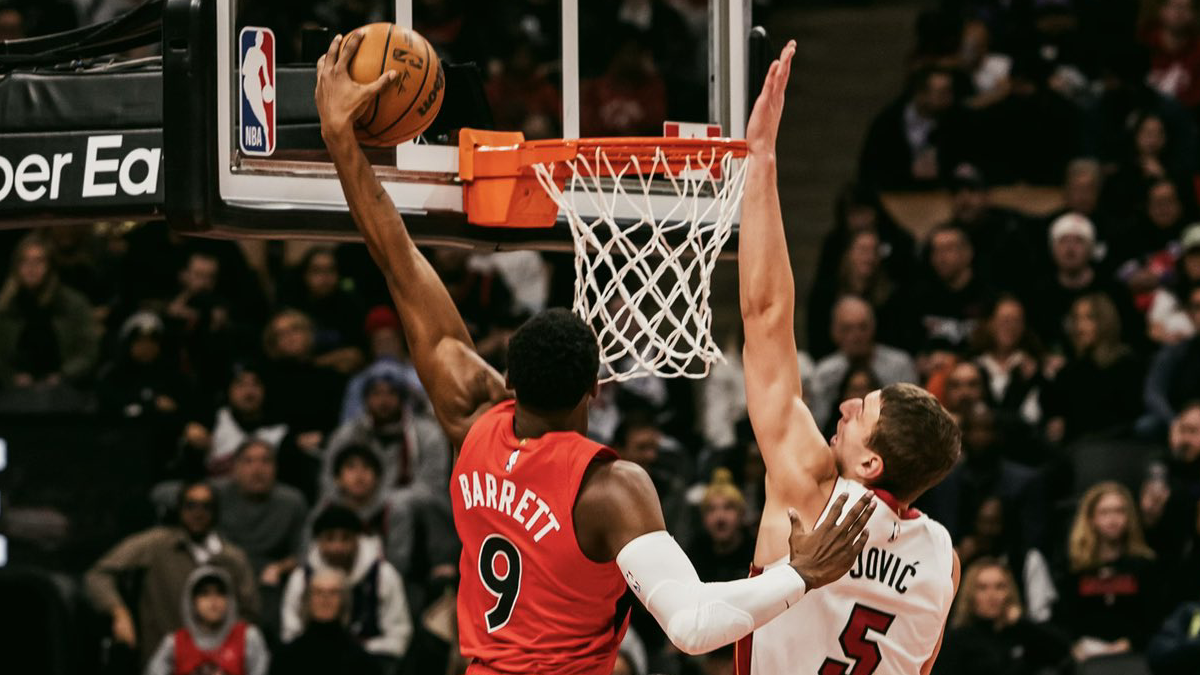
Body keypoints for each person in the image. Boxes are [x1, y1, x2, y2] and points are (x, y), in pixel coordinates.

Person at [314, 32, 873, 673]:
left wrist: (340, 140)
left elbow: (399, 259)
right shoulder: (609, 490)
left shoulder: (472, 422)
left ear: (510, 384)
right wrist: (802, 572)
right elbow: (692, 625)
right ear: (594, 392)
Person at [735, 42, 961, 674]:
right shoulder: (943, 556)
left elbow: (766, 317)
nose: (846, 403)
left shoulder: (809, 488)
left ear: (869, 460)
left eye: (864, 411)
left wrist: (762, 162)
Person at [85, 481, 259, 667]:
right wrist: (118, 612)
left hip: (219, 664)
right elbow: (98, 575)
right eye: (190, 505)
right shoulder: (157, 543)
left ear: (215, 511)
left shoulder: (231, 557)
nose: (198, 513)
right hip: (163, 660)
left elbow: (250, 611)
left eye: (206, 506)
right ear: (179, 509)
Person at [281, 505, 411, 670]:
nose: (337, 547)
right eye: (330, 538)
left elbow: (398, 635)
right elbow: (290, 632)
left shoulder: (383, 575)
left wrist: (355, 652)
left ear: (358, 539)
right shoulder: (301, 578)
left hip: (367, 661)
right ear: (318, 541)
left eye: (345, 538)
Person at [1056, 482, 1161, 662]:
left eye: (1119, 511)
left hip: (1134, 655)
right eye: (1104, 512)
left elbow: (1155, 619)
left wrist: (1131, 643)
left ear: (1130, 517)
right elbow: (1063, 618)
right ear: (1091, 519)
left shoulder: (1145, 565)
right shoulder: (1073, 567)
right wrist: (1074, 645)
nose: (1113, 519)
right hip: (1084, 655)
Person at [931, 558, 1070, 675]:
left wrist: (1021, 622)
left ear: (1009, 592)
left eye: (1000, 587)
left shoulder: (1021, 634)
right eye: (982, 588)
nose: (992, 595)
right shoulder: (956, 640)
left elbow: (1063, 649)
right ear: (971, 595)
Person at [1041, 294, 1146, 443]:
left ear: (1105, 322)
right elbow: (1054, 411)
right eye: (1076, 319)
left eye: (1088, 318)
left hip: (1118, 448)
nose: (1080, 327)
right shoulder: (1070, 371)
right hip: (1077, 453)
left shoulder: (1127, 365)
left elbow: (1131, 416)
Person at [0, 233, 99, 388]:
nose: (31, 268)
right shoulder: (5, 306)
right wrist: (10, 377)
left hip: (65, 387)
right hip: (10, 391)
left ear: (50, 265)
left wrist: (63, 375)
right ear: (16, 266)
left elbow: (88, 351)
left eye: (39, 261)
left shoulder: (72, 304)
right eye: (25, 261)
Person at [807, 296, 918, 429]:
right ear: (834, 332)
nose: (856, 336)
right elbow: (817, 426)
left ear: (873, 328)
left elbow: (913, 419)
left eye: (862, 327)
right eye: (847, 329)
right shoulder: (824, 373)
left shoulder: (900, 366)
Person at [145, 566, 270, 675]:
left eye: (220, 592)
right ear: (192, 602)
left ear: (230, 600)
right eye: (205, 593)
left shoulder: (248, 637)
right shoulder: (174, 643)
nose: (213, 600)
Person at [271, 568, 380, 675]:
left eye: (333, 592)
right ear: (307, 599)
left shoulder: (362, 661)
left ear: (344, 600)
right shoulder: (285, 657)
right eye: (318, 592)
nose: (325, 597)